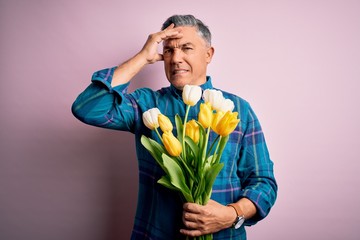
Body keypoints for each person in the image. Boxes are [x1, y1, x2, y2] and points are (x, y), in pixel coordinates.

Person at [72, 14, 277, 240]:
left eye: (186, 48)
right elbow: (88, 108)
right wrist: (142, 57)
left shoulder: (237, 109)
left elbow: (263, 183)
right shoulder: (147, 105)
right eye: (168, 50)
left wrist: (231, 214)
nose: (176, 58)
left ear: (209, 54)